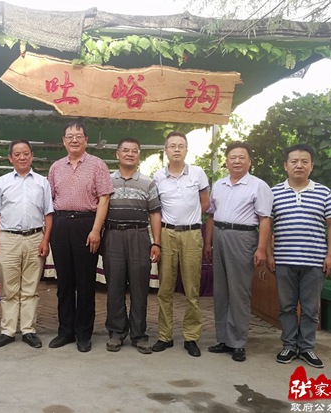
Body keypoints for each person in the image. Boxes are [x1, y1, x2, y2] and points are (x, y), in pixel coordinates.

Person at [267, 144, 331, 368]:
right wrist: (269, 254)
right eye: (294, 161)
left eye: (304, 161)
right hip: (284, 261)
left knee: (310, 309)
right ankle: (289, 346)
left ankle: (307, 348)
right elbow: (267, 226)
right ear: (285, 166)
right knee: (286, 307)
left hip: (314, 262)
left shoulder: (323, 192)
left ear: (311, 166)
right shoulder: (274, 193)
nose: (299, 165)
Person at [47, 120, 114, 352]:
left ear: (86, 139)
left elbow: (104, 199)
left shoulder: (97, 165)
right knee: (64, 283)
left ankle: (84, 333)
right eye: (69, 136)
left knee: (85, 282)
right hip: (61, 224)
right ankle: (65, 331)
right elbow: (50, 200)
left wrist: (96, 230)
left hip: (86, 224)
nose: (74, 139)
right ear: (63, 141)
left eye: (78, 136)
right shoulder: (56, 167)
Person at [204, 141, 272, 362]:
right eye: (233, 157)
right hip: (219, 235)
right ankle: (223, 339)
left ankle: (238, 342)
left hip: (243, 238)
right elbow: (211, 216)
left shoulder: (258, 186)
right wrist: (208, 242)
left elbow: (264, 219)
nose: (237, 161)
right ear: (226, 161)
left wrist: (261, 248)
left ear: (249, 161)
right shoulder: (219, 185)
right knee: (221, 291)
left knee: (239, 291)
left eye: (242, 157)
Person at [0, 140, 54, 349]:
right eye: (17, 154)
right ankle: (8, 331)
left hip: (35, 238)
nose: (22, 157)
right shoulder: (2, 182)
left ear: (31, 155)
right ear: (10, 158)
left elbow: (48, 213)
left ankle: (28, 330)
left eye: (25, 153)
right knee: (9, 288)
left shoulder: (42, 182)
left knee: (30, 288)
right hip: (8, 238)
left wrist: (45, 240)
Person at [152, 131, 210, 357]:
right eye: (172, 146)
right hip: (166, 234)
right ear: (165, 151)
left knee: (191, 288)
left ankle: (191, 337)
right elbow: (155, 209)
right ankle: (164, 336)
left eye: (181, 146)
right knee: (165, 288)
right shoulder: (158, 177)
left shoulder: (197, 173)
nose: (176, 149)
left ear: (186, 150)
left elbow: (205, 203)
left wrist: (189, 219)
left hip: (192, 235)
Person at [103, 138, 161, 355]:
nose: (130, 154)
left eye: (134, 151)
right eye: (125, 150)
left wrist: (156, 242)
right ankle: (116, 332)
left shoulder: (149, 183)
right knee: (114, 286)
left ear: (139, 156)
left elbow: (155, 213)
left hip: (139, 236)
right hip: (113, 235)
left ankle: (139, 335)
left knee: (139, 287)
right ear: (117, 154)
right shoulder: (107, 181)